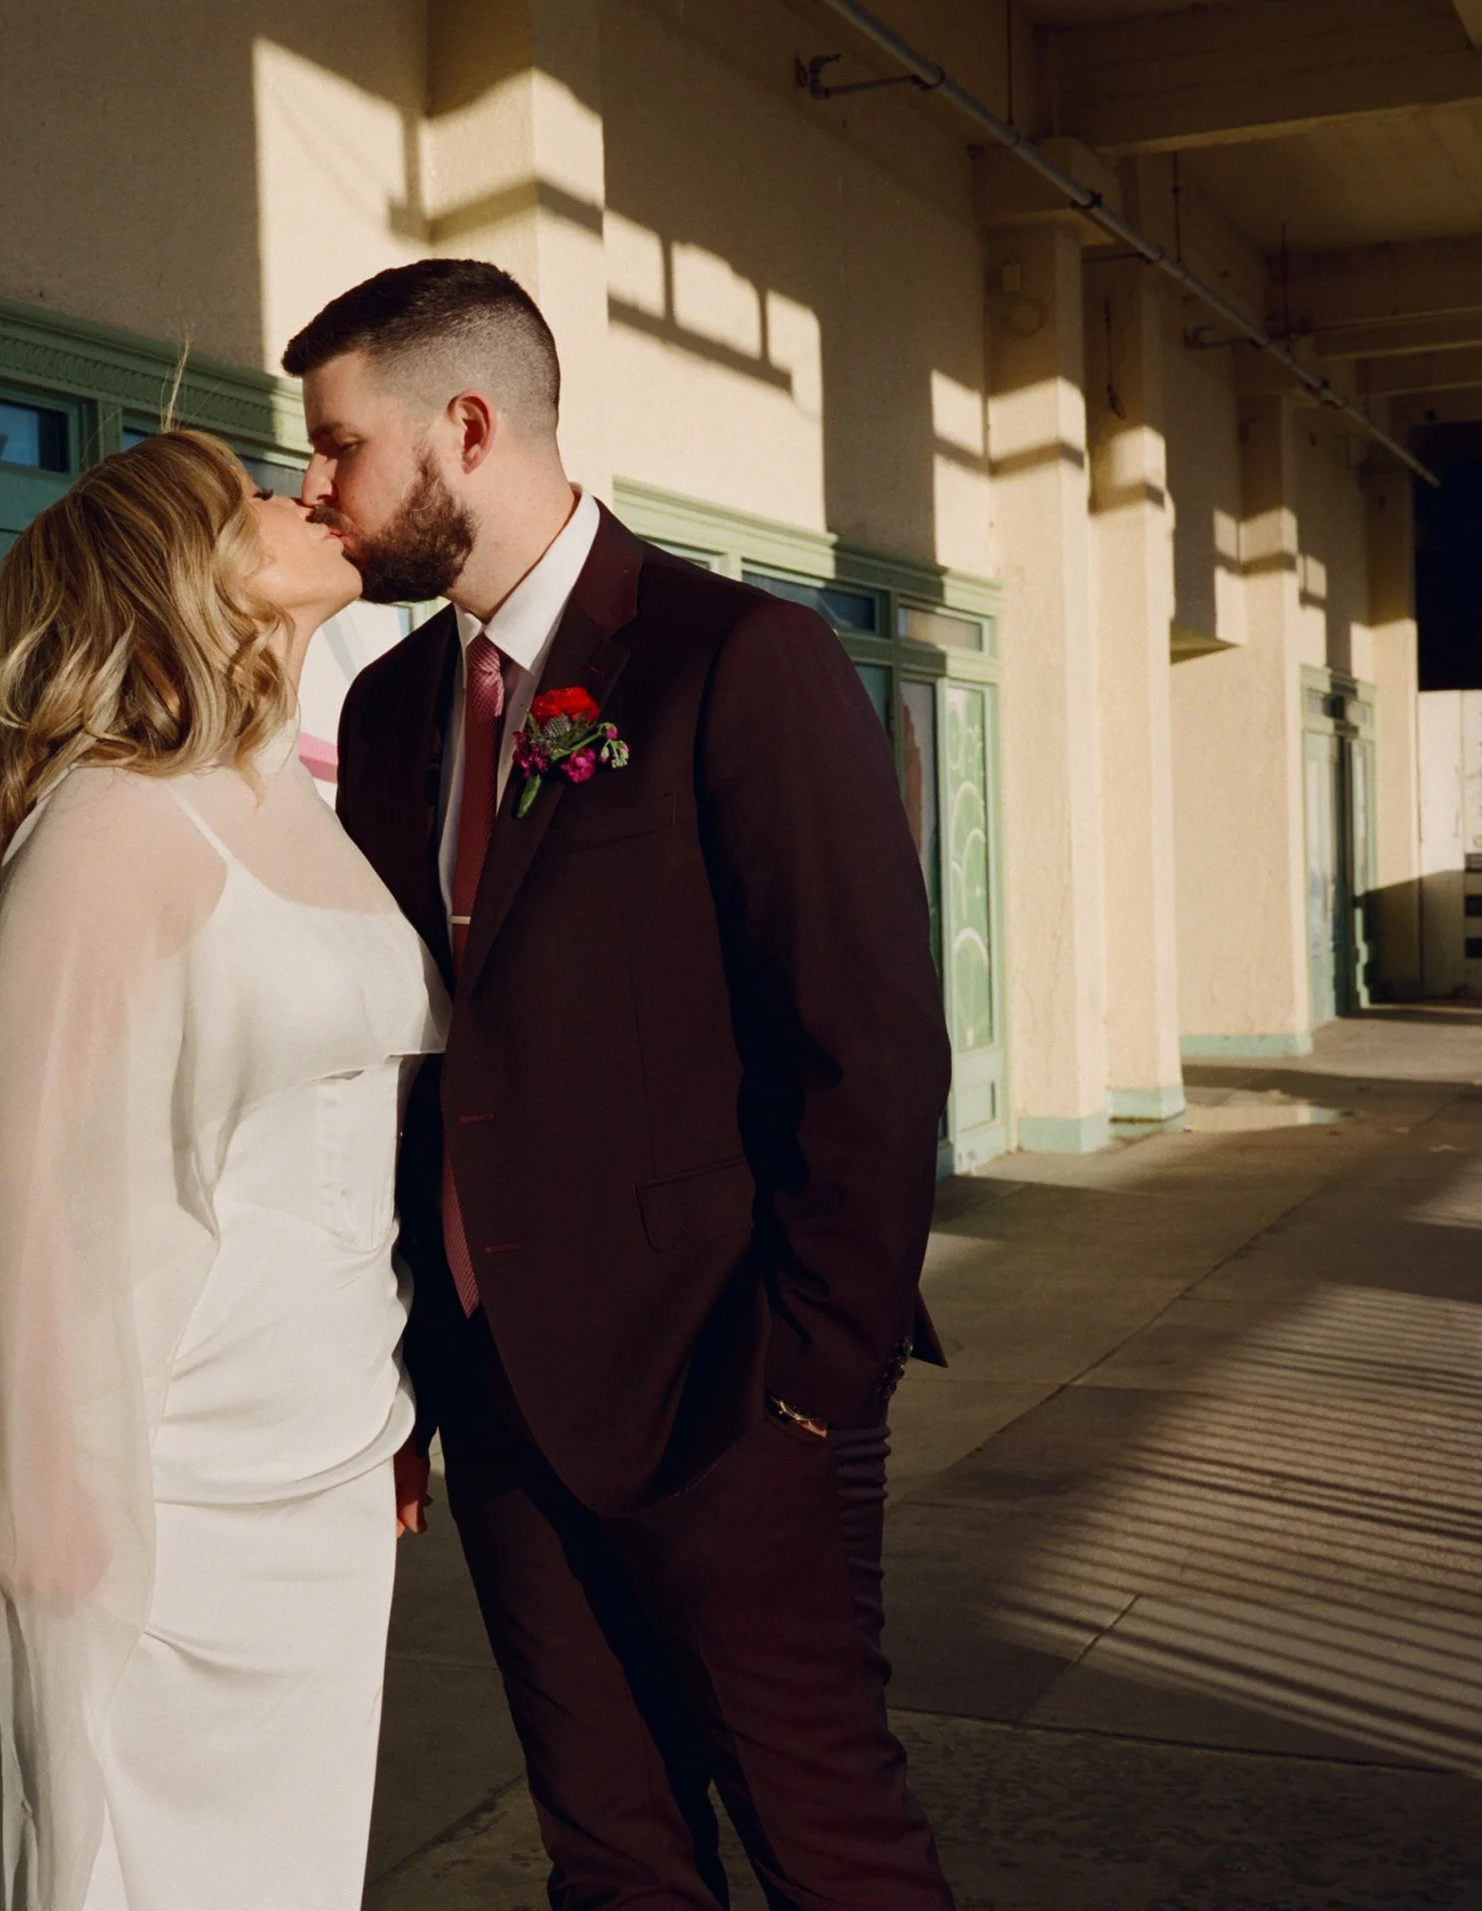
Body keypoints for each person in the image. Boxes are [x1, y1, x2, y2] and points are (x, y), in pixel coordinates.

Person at [291, 258, 956, 1909]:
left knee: (833, 1854)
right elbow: (410, 1067)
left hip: (730, 1396)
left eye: (337, 447)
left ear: (467, 425)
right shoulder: (385, 713)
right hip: (499, 1402)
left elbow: (869, 1049)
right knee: (611, 1857)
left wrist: (812, 1380)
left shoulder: (739, 661)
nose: (315, 492)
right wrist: (396, 1375)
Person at [0, 429, 446, 1911]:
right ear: (177, 574)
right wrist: (54, 1566)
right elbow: (35, 1229)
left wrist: (392, 1410)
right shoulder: (109, 828)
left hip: (330, 1482)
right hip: (176, 1520)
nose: (296, 493)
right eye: (243, 500)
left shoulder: (296, 803)